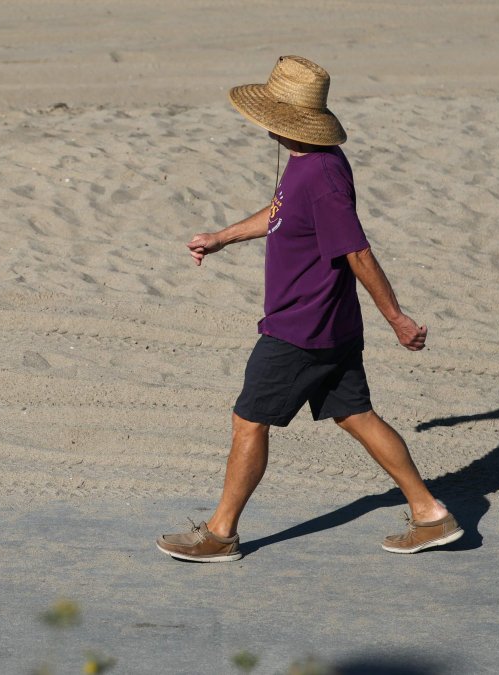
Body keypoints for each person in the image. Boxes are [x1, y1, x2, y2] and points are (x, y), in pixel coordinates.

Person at [156, 56, 461, 562]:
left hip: (302, 327)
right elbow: (281, 215)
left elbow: (357, 252)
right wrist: (222, 237)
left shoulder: (321, 175)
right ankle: (430, 513)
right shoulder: (309, 163)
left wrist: (397, 319)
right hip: (331, 324)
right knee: (356, 415)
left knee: (248, 421)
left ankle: (220, 533)